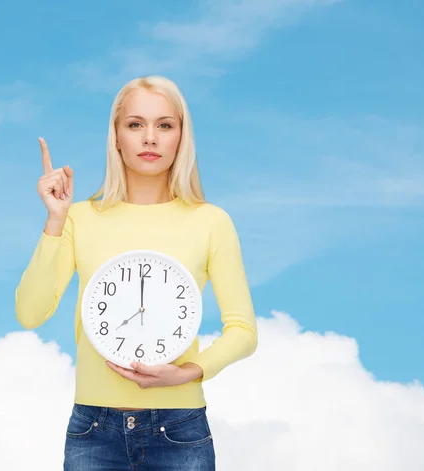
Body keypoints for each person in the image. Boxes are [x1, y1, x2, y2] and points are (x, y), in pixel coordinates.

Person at [15, 75, 258, 470]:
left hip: (179, 431)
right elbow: (30, 313)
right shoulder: (79, 218)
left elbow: (244, 331)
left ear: (181, 136)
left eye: (164, 125)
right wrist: (55, 222)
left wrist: (187, 374)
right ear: (115, 137)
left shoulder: (212, 222)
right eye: (135, 124)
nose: (150, 138)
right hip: (93, 430)